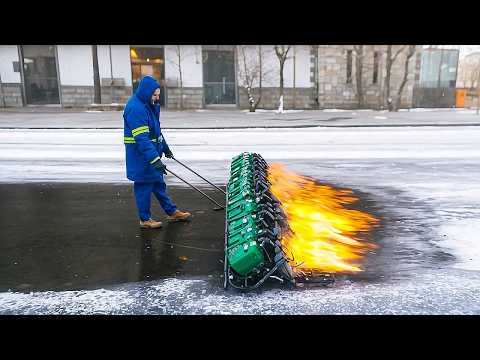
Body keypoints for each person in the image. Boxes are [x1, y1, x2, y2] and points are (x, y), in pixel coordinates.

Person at [123, 75, 192, 229]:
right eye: (154, 95)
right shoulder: (136, 108)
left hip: (151, 154)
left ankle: (172, 212)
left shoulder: (148, 105)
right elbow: (142, 139)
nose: (156, 98)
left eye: (158, 95)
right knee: (144, 187)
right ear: (146, 92)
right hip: (141, 157)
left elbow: (156, 133)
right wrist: (155, 160)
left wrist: (165, 148)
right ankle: (145, 219)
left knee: (159, 184)